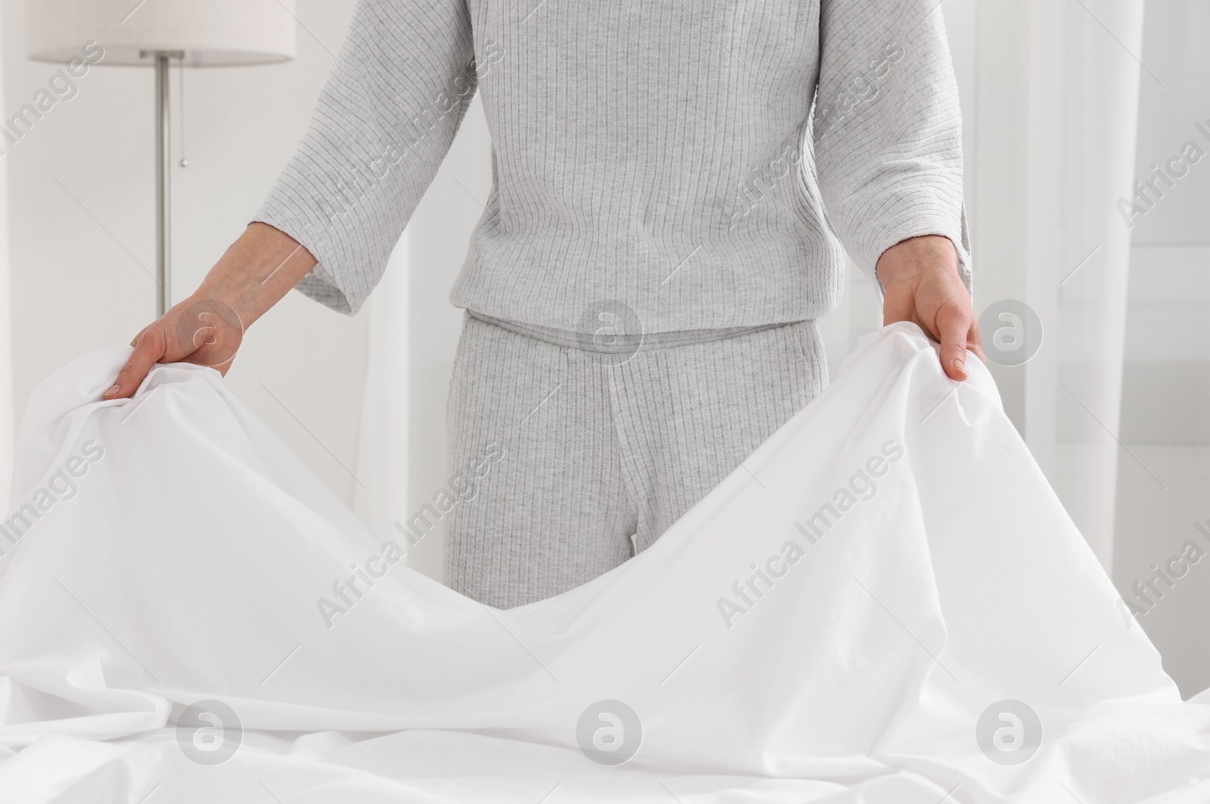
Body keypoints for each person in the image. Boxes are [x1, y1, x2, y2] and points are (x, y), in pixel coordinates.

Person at [102, 0, 981, 609]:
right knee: (514, 741)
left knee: (735, 736)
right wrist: (228, 296)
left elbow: (886, 115)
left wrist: (924, 256)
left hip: (746, 381)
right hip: (524, 393)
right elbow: (378, 114)